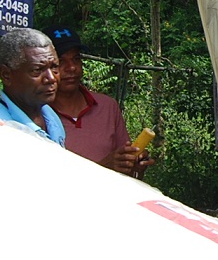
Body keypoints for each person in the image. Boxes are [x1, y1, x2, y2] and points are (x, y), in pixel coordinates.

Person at [47, 26, 153, 177]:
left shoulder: (107, 107)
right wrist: (104, 167)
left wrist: (135, 167)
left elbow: (127, 174)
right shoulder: (38, 114)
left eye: (76, 59)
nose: (71, 68)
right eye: (61, 62)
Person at [0, 27, 65, 145]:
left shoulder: (47, 113)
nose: (51, 78)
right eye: (37, 70)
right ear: (6, 75)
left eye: (54, 67)